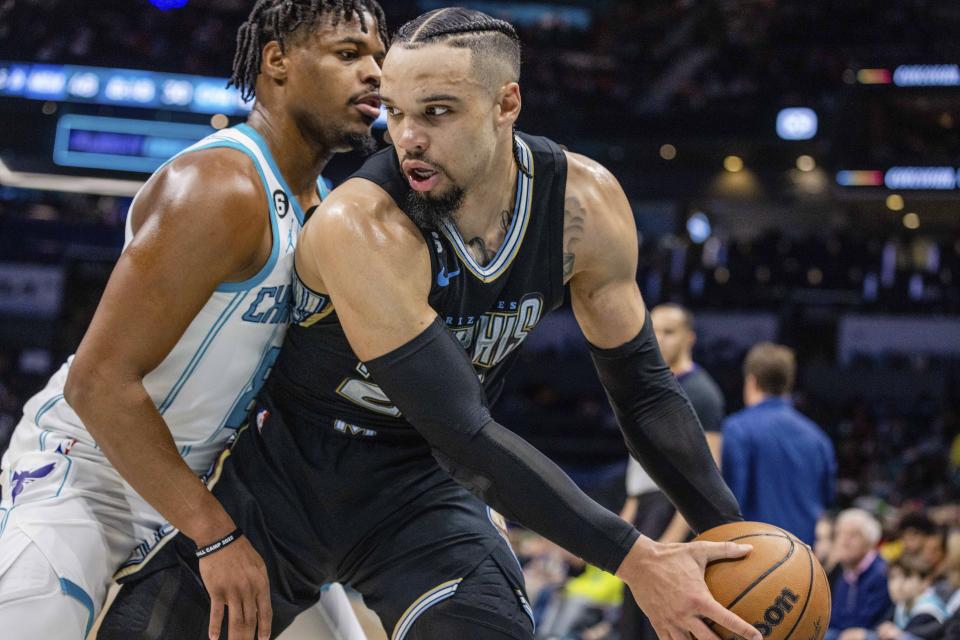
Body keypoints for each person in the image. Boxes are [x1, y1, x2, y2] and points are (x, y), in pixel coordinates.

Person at [99, 8, 762, 640]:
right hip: (283, 484)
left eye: (437, 113)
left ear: (507, 105)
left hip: (422, 497)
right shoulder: (361, 224)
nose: (408, 137)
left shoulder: (583, 205)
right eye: (394, 112)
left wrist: (738, 546)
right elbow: (459, 430)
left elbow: (644, 392)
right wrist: (638, 560)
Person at [0, 2, 388, 639]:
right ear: (277, 62)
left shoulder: (328, 218)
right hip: (91, 474)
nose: (374, 73)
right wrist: (214, 535)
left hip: (209, 491)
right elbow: (97, 383)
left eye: (378, 58)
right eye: (349, 55)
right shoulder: (219, 186)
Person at [619, 303, 725, 640]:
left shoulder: (701, 393)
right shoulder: (649, 385)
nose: (659, 339)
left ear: (689, 338)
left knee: (662, 621)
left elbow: (708, 474)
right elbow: (639, 465)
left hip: (672, 510)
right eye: (654, 331)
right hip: (646, 509)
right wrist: (628, 512)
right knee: (632, 618)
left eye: (669, 331)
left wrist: (673, 538)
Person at [722, 342, 836, 545]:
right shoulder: (818, 438)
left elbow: (730, 502)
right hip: (803, 558)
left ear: (751, 381)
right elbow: (826, 500)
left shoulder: (736, 429)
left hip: (754, 554)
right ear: (789, 383)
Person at [828, 509, 893, 640]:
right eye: (840, 534)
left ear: (870, 541)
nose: (844, 542)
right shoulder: (844, 573)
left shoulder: (881, 572)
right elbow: (834, 619)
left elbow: (864, 623)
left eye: (853, 535)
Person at [873, 555, 947, 640]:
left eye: (906, 577)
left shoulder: (928, 611)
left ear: (925, 581)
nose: (897, 585)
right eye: (892, 577)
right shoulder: (902, 604)